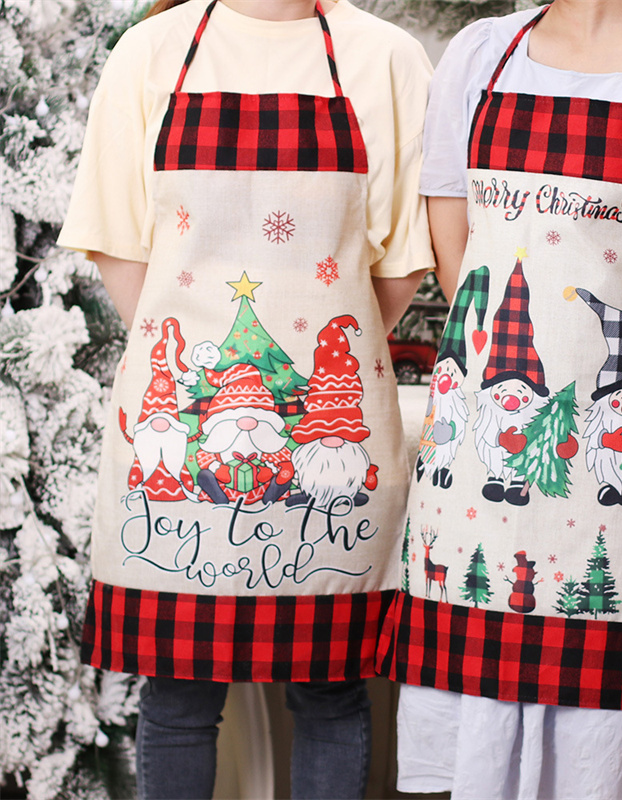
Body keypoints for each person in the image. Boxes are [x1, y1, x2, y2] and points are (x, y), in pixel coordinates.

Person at [376, 0, 622, 797]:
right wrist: (510, 366)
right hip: (495, 412)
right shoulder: (481, 54)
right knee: (486, 646)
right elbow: (456, 243)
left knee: (619, 675)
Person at [57, 0, 434, 797]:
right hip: (186, 430)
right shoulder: (151, 53)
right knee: (177, 695)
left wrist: (332, 355)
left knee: (331, 691)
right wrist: (194, 381)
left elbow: (401, 266)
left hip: (332, 447)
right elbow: (122, 254)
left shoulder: (389, 60)